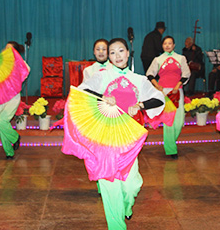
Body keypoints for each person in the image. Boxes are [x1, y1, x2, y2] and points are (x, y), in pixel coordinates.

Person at [80, 38, 164, 229]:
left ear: (128, 53)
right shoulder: (102, 76)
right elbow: (83, 91)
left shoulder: (139, 80)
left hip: (128, 138)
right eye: (112, 52)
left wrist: (140, 105)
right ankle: (116, 225)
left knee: (132, 185)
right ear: (109, 57)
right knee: (110, 184)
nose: (117, 56)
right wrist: (102, 97)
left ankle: (126, 206)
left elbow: (159, 99)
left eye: (120, 51)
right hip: (105, 136)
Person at [146, 36, 190, 159]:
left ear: (174, 45)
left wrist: (178, 85)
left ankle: (171, 142)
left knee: (179, 121)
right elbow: (149, 74)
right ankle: (171, 149)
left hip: (177, 91)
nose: (167, 45)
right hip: (164, 93)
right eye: (165, 43)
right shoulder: (158, 59)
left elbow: (186, 74)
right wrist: (157, 85)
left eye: (170, 43)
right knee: (168, 121)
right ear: (162, 46)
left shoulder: (181, 58)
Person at [0, 41, 29, 160]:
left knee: (0, 120)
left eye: (9, 48)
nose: (5, 50)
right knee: (0, 125)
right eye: (5, 48)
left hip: (12, 98)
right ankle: (9, 152)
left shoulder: (21, 64)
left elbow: (24, 73)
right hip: (0, 97)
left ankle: (15, 138)